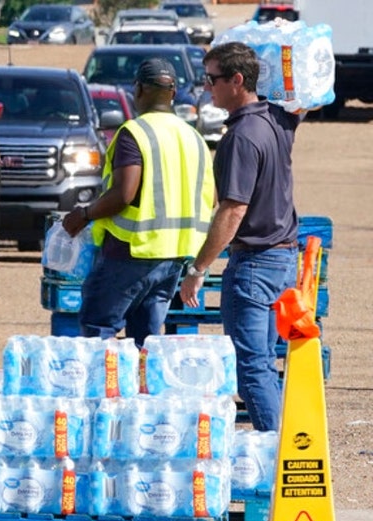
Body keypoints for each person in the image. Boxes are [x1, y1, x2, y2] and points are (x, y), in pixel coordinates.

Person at [180, 42, 301, 432]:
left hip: (255, 265)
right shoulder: (277, 120)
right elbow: (303, 102)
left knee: (251, 368)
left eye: (212, 79)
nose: (207, 87)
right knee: (263, 363)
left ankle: (276, 457)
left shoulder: (241, 138)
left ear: (237, 80)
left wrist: (199, 268)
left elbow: (232, 210)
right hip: (281, 261)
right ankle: (281, 447)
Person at [62, 58, 215, 347]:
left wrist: (83, 215)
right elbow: (212, 198)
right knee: (146, 340)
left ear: (139, 90)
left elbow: (123, 194)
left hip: (131, 250)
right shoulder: (195, 138)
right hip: (175, 255)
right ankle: (141, 391)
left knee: (99, 329)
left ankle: (104, 391)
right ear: (172, 93)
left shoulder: (134, 133)